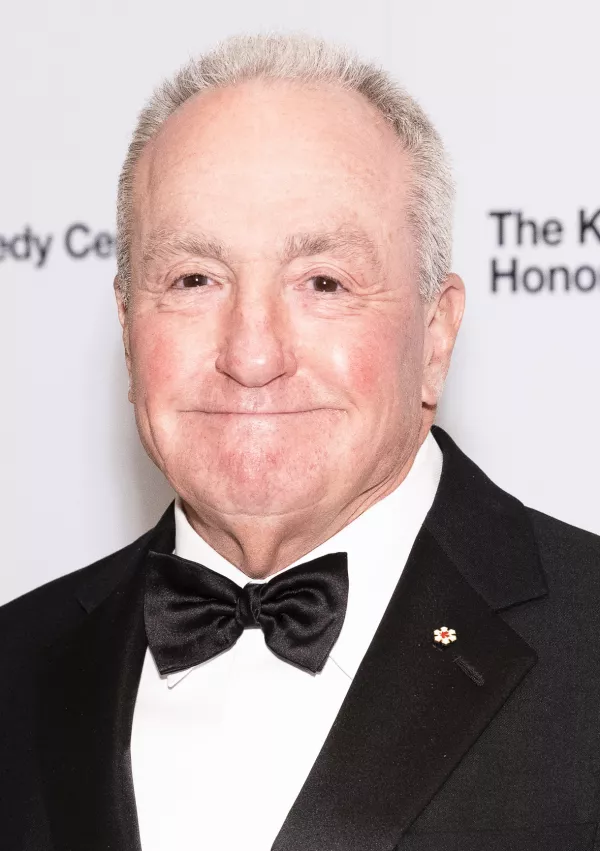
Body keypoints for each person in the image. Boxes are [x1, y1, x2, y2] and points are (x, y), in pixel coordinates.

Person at [1, 33, 599, 851]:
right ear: (128, 329)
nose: (251, 354)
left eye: (324, 281)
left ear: (434, 335)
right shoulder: (17, 663)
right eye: (193, 280)